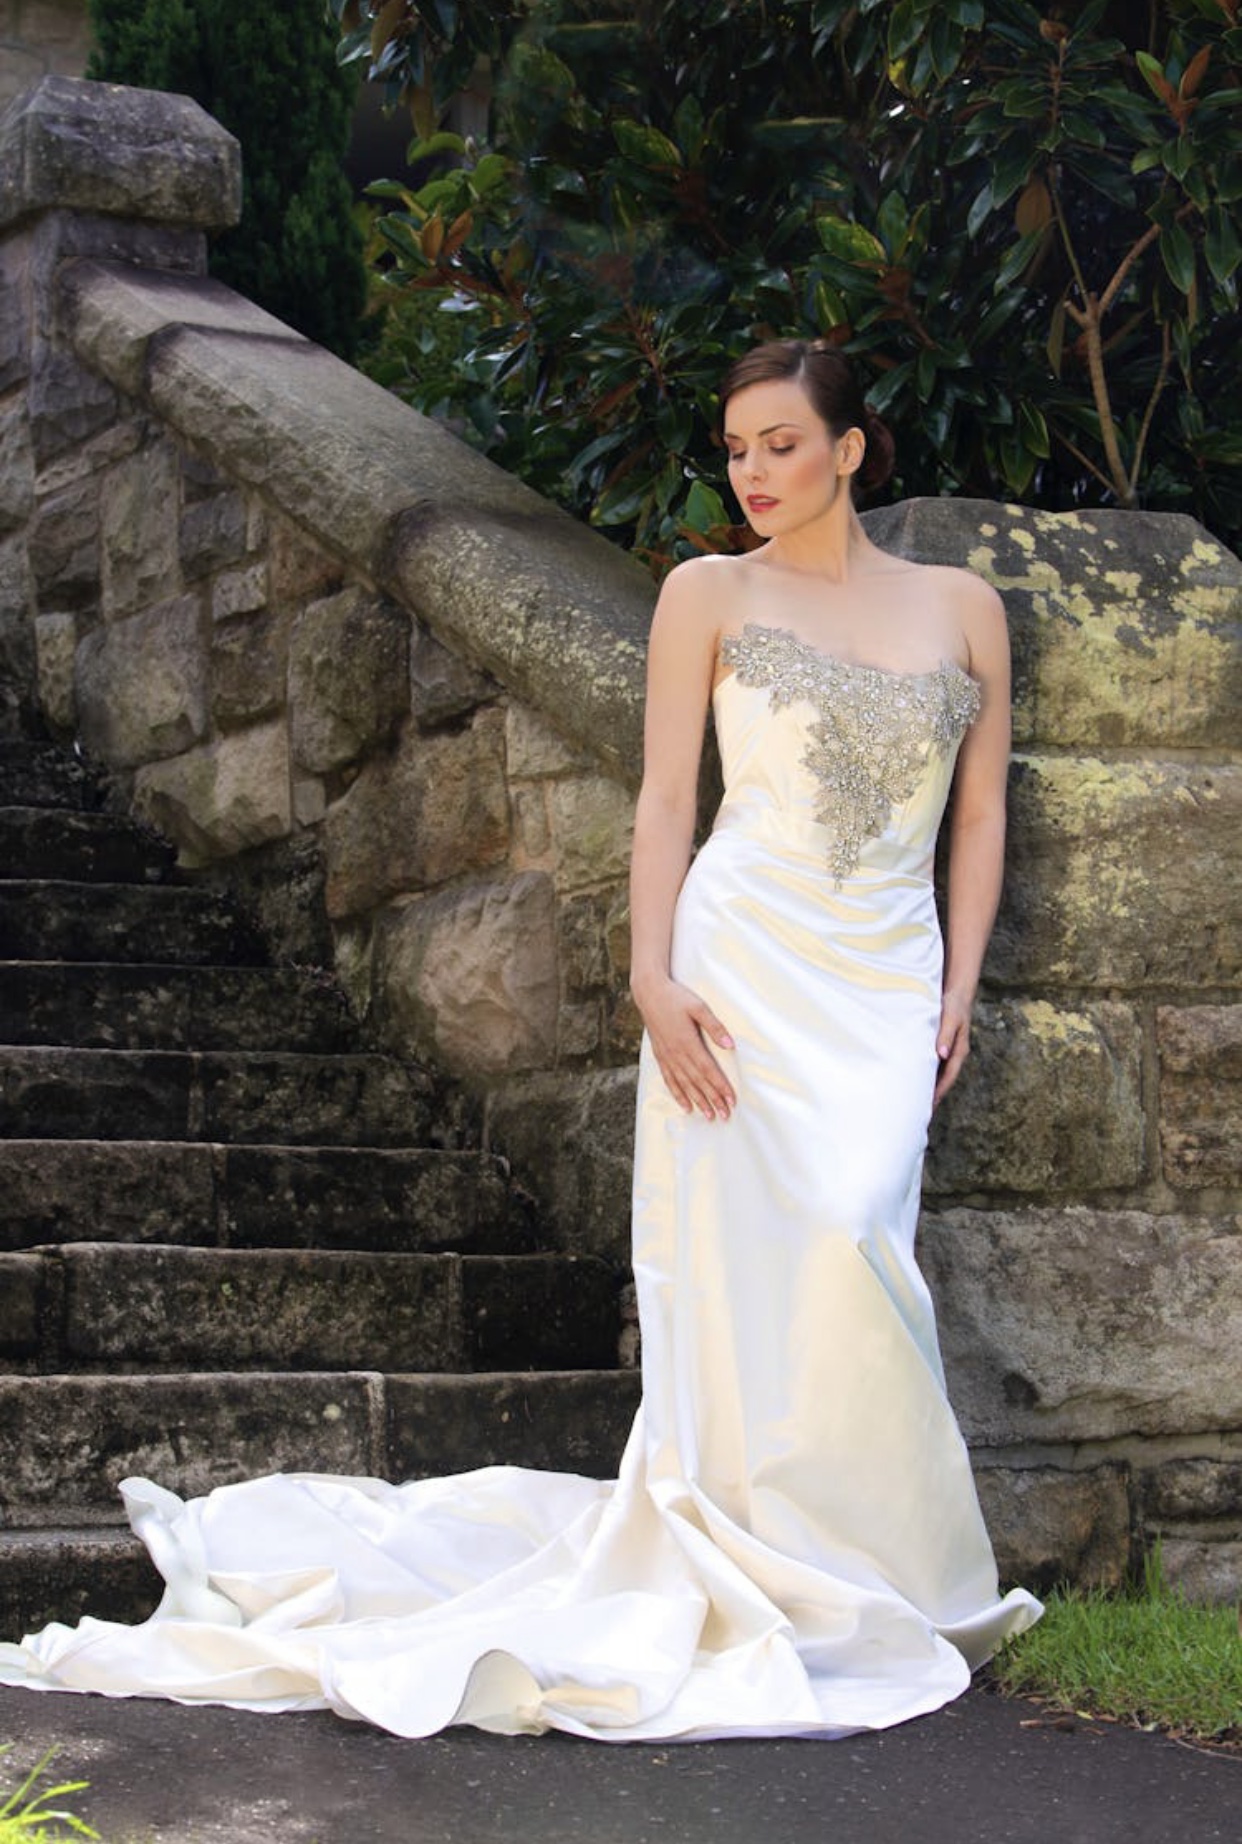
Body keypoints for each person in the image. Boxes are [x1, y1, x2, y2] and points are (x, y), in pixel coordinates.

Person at [0, 339, 1040, 1740]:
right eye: (735, 449)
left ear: (853, 449)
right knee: (755, 1269)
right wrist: (652, 981)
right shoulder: (704, 596)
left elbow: (977, 817)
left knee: (858, 1234)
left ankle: (873, 1561)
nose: (752, 474)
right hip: (743, 961)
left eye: (782, 444)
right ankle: (753, 1538)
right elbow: (668, 801)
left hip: (882, 974)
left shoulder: (961, 608)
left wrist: (957, 982)